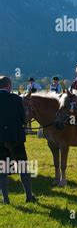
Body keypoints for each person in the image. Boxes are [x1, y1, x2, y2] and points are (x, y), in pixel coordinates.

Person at [0, 76, 37, 204]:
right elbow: (23, 119)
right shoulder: (16, 99)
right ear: (9, 85)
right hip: (15, 138)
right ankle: (28, 196)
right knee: (22, 167)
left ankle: (6, 199)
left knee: (3, 169)